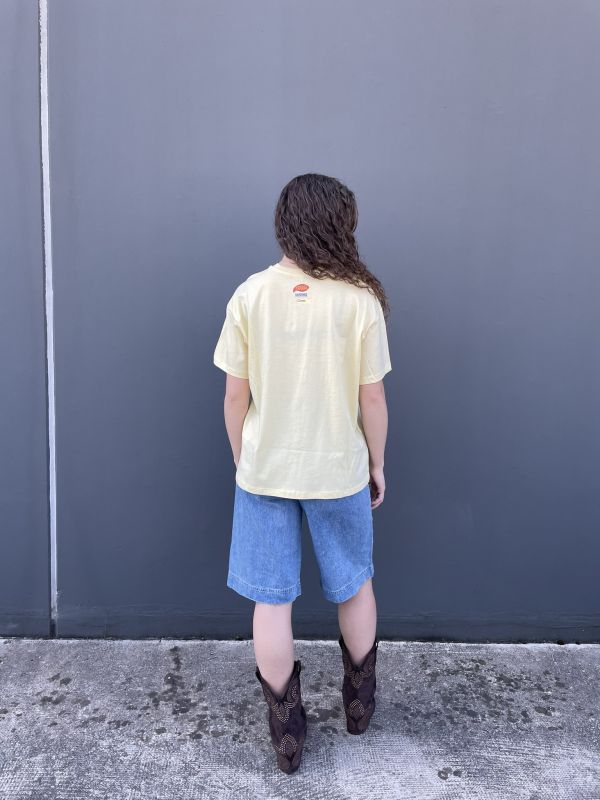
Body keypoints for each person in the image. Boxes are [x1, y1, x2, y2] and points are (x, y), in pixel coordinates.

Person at [213, 173, 392, 774]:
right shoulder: (359, 301)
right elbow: (372, 399)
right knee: (354, 583)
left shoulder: (250, 295)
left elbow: (234, 396)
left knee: (271, 599)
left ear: (283, 224)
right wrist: (376, 462)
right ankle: (359, 706)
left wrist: (243, 455)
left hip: (265, 470)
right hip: (338, 469)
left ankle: (287, 736)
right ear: (342, 225)